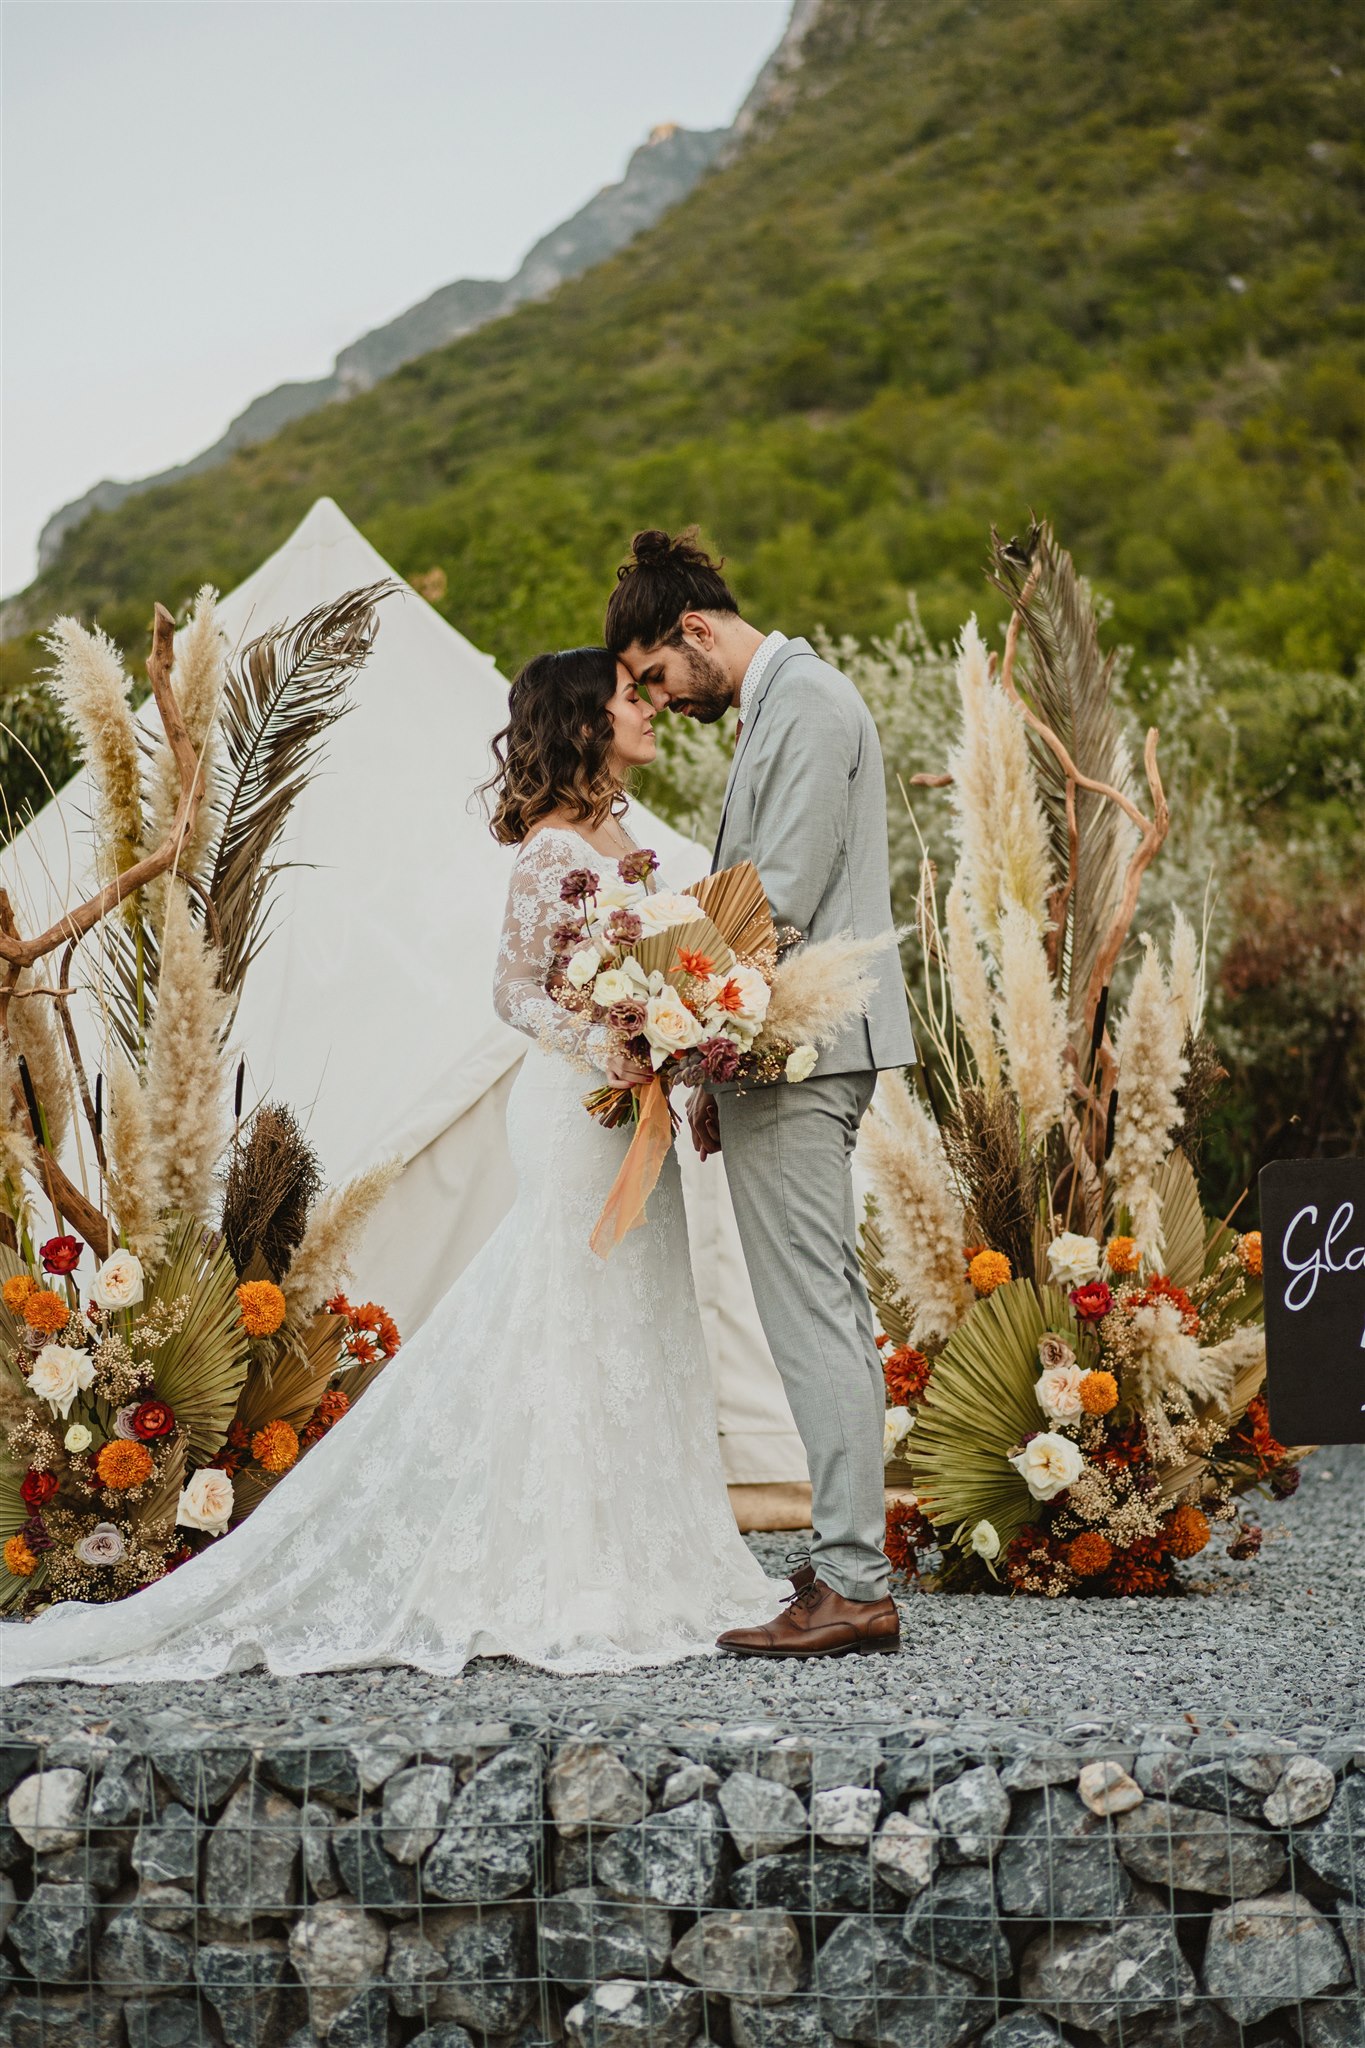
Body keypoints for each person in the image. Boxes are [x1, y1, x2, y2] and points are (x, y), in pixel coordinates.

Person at [0, 647, 781, 1685]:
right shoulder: (552, 851)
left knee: (644, 1311)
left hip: (635, 1113)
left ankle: (650, 1547)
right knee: (568, 1310)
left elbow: (665, 963)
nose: (648, 709)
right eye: (629, 698)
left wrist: (682, 1046)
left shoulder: (624, 838)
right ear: (586, 722)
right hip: (573, 1106)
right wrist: (619, 1038)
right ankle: (565, 1565)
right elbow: (515, 992)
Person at [607, 529, 916, 1661]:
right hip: (772, 1055)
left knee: (812, 1311)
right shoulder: (782, 704)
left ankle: (851, 1581)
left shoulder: (809, 703)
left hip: (804, 1054)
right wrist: (702, 1060)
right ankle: (844, 1564)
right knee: (818, 1300)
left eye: (651, 676)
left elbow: (772, 899)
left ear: (693, 630)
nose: (653, 700)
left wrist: (658, 1015)